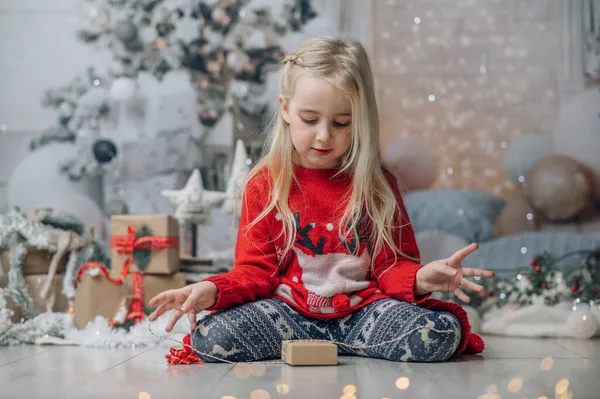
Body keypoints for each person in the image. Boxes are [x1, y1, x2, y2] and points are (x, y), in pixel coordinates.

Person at [149, 36, 494, 363]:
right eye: (310, 120)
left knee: (440, 334)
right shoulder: (265, 183)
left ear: (359, 120)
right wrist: (213, 287)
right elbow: (255, 270)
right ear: (285, 109)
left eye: (342, 123)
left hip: (362, 312)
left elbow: (392, 266)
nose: (324, 136)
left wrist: (419, 278)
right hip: (289, 313)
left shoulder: (378, 184)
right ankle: (332, 344)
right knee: (211, 338)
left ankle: (346, 341)